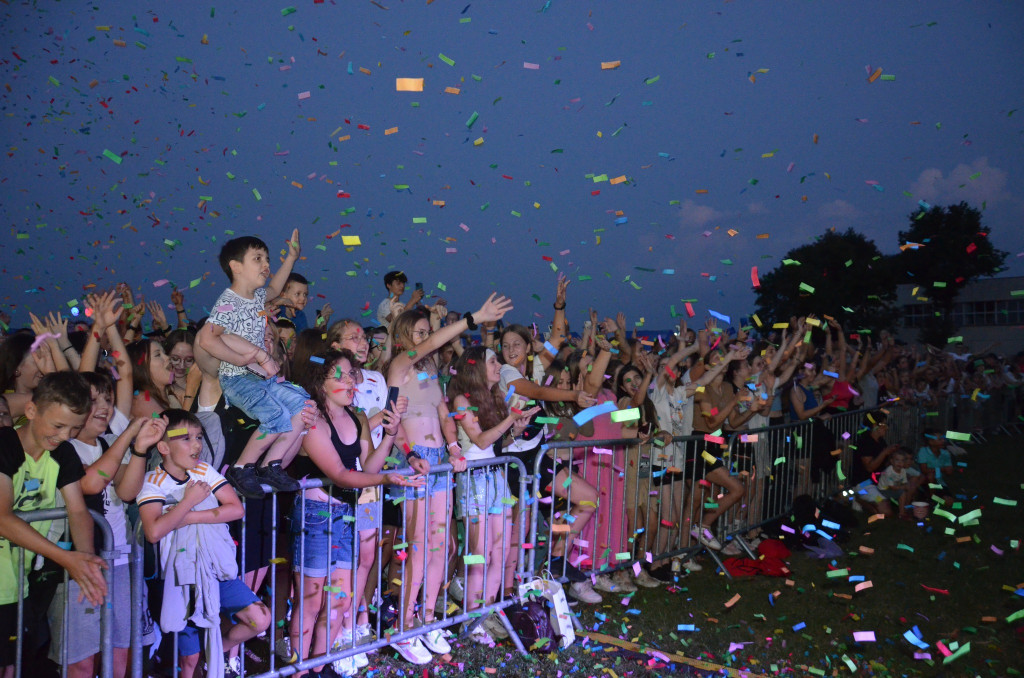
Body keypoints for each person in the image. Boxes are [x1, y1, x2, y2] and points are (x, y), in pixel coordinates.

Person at [384, 293, 511, 664]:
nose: (426, 339)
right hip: (414, 463)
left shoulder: (430, 373)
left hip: (440, 461)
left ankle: (426, 619)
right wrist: (474, 317)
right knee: (419, 547)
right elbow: (398, 426)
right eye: (419, 333)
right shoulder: (398, 367)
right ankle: (404, 627)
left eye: (427, 332)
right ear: (404, 337)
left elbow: (443, 415)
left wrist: (454, 447)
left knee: (441, 548)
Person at [290, 349, 419, 677]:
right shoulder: (312, 420)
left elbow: (367, 465)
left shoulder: (359, 416)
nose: (352, 380)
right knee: (311, 599)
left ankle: (318, 666)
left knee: (341, 601)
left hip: (347, 513)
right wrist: (386, 478)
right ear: (320, 382)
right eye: (342, 375)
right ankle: (298, 671)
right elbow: (340, 474)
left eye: (352, 374)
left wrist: (390, 436)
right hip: (316, 516)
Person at [49, 373, 167, 678]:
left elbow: (127, 491)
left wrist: (139, 448)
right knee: (81, 660)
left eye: (108, 400)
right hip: (81, 563)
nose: (103, 407)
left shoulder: (109, 443)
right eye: (94, 400)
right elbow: (90, 483)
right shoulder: (63, 447)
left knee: (119, 652)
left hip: (120, 560)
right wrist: (127, 437)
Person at [137, 410, 271, 678]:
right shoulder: (152, 483)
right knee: (190, 659)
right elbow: (153, 532)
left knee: (260, 619)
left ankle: (217, 652)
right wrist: (188, 500)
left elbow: (235, 509)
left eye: (198, 437)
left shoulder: (203, 470)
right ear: (163, 447)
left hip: (215, 572)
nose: (197, 444)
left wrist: (186, 517)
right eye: (185, 438)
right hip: (180, 581)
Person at [0, 372, 109, 674]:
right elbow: (2, 517)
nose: (64, 435)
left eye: (74, 428)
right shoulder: (4, 444)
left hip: (16, 584)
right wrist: (67, 559)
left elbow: (77, 511)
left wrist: (85, 562)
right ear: (32, 411)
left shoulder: (62, 453)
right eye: (58, 425)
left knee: (12, 665)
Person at [196, 232, 315, 499]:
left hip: (259, 379)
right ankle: (241, 468)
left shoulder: (257, 298)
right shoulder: (229, 301)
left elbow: (274, 289)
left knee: (302, 404)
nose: (266, 265)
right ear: (236, 267)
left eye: (267, 259)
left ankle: (270, 465)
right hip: (238, 379)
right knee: (274, 416)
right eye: (258, 258)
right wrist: (244, 358)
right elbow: (207, 337)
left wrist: (292, 258)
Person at [449, 346, 539, 644]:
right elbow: (479, 438)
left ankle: (486, 614)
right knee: (480, 554)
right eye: (493, 361)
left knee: (499, 552)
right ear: (476, 368)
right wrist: (509, 420)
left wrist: (515, 430)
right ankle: (473, 620)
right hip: (475, 482)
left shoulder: (493, 397)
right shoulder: (462, 400)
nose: (499, 364)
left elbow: (495, 444)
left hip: (497, 479)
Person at [847, 411, 899, 516]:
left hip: (878, 480)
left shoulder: (880, 441)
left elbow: (884, 464)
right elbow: (870, 468)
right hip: (864, 483)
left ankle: (874, 503)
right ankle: (858, 499)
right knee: (886, 512)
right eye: (884, 424)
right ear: (875, 426)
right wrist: (884, 453)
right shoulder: (865, 442)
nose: (886, 427)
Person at [877, 447, 923, 518]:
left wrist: (908, 486)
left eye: (902, 461)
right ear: (892, 461)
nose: (899, 463)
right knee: (902, 492)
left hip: (894, 487)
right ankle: (902, 511)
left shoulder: (903, 471)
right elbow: (892, 487)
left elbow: (904, 482)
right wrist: (904, 487)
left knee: (905, 490)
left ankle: (903, 512)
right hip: (883, 490)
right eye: (897, 460)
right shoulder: (889, 471)